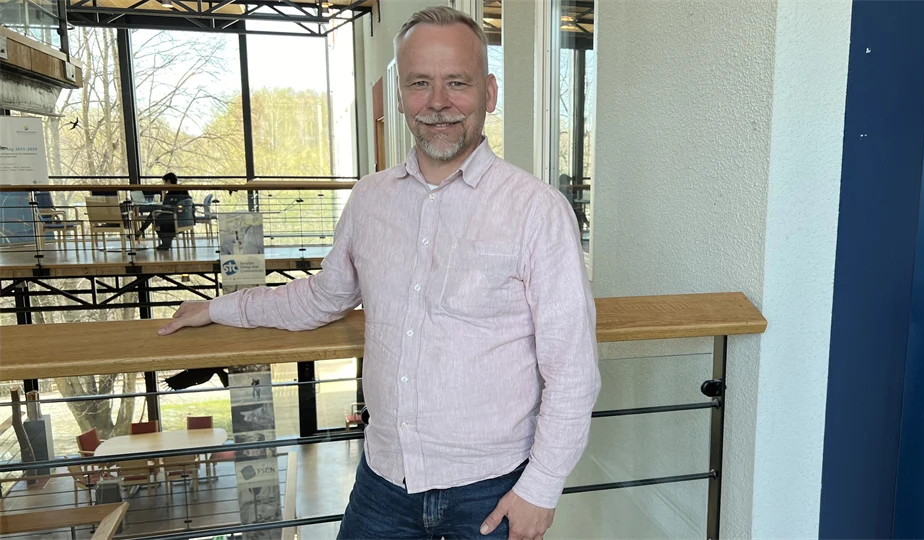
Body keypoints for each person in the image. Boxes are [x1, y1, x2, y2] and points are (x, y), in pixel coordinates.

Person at [158, 7, 600, 540]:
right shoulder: (370, 200)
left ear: (489, 92)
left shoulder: (537, 210)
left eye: (456, 83)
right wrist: (216, 309)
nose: (438, 102)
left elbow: (572, 369)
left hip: (492, 490)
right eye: (420, 83)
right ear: (400, 97)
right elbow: (323, 298)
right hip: (384, 482)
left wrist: (541, 488)